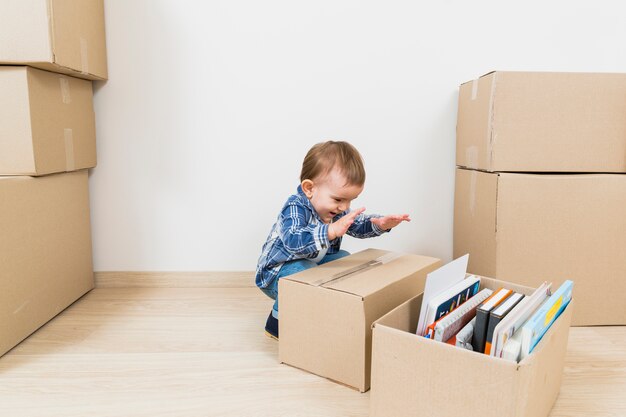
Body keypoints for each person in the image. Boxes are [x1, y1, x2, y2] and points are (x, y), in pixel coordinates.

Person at [255, 141, 411, 339]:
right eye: (338, 199)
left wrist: (380, 224)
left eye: (349, 201)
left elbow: (357, 225)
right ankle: (276, 323)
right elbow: (294, 241)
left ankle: (326, 304)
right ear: (309, 188)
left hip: (311, 264)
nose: (343, 207)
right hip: (276, 273)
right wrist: (330, 231)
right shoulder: (294, 207)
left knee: (344, 259)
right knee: (302, 272)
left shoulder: (334, 208)